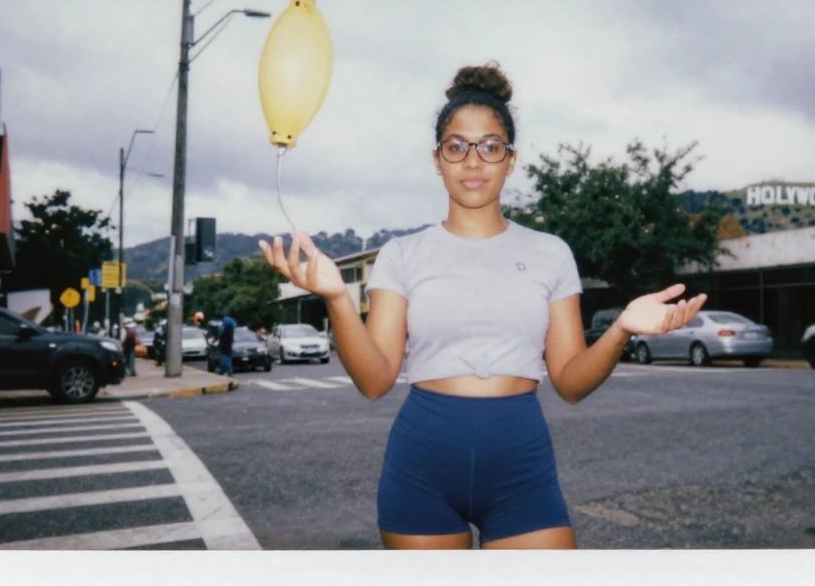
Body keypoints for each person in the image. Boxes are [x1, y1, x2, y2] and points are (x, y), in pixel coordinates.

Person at [259, 62, 705, 550]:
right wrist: (338, 299)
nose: (473, 161)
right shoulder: (402, 255)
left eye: (490, 147)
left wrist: (620, 329)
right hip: (421, 469)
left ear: (510, 160)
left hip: (522, 471)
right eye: (457, 147)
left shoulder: (550, 252)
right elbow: (374, 380)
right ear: (437, 159)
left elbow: (572, 384)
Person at [216, 310, 237, 376]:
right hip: (228, 346)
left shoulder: (223, 324)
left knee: (225, 361)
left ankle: (224, 372)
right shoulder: (232, 321)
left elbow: (221, 334)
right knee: (227, 361)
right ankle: (224, 372)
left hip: (224, 347)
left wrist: (219, 343)